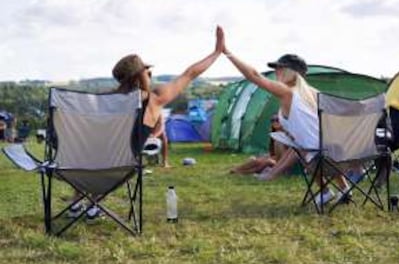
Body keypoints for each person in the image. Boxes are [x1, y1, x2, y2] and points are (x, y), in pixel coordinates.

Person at [69, 26, 224, 220]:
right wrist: (217, 52)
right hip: (121, 168)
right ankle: (93, 206)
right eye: (146, 70)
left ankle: (77, 204)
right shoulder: (154, 99)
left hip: (79, 166)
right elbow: (190, 74)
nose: (149, 72)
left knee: (97, 151)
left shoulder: (104, 100)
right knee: (113, 158)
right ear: (140, 75)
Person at [219, 27, 350, 207]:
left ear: (293, 72)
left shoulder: (288, 92)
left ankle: (320, 189)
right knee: (307, 143)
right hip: (345, 154)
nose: (277, 71)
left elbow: (254, 76)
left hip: (318, 158)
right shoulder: (313, 95)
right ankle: (342, 189)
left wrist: (227, 52)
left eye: (280, 68)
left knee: (304, 146)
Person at [229, 114, 296, 175]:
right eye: (273, 120)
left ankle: (239, 171)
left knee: (264, 162)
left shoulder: (286, 136)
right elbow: (273, 154)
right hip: (277, 161)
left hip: (283, 165)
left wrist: (271, 160)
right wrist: (267, 157)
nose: (275, 122)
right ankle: (238, 170)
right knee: (255, 160)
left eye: (277, 120)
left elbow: (286, 156)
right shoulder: (274, 136)